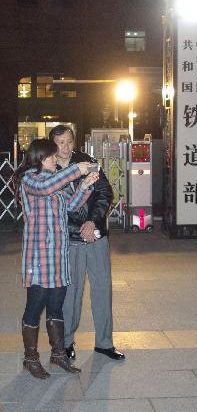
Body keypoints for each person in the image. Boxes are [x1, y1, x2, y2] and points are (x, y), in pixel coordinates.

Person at [12, 139, 99, 378]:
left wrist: (85, 186)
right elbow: (47, 187)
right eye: (51, 156)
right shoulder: (31, 180)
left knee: (56, 306)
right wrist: (76, 170)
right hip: (39, 256)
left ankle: (58, 354)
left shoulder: (53, 182)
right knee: (34, 307)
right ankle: (30, 358)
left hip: (58, 256)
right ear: (40, 158)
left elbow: (69, 206)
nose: (55, 159)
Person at [49, 125, 125, 361]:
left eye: (69, 141)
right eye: (60, 142)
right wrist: (78, 228)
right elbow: (54, 207)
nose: (65, 147)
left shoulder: (87, 162)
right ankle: (67, 342)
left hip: (95, 236)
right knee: (71, 292)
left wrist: (92, 222)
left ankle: (104, 342)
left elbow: (105, 193)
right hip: (69, 239)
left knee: (102, 288)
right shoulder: (48, 169)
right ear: (53, 143)